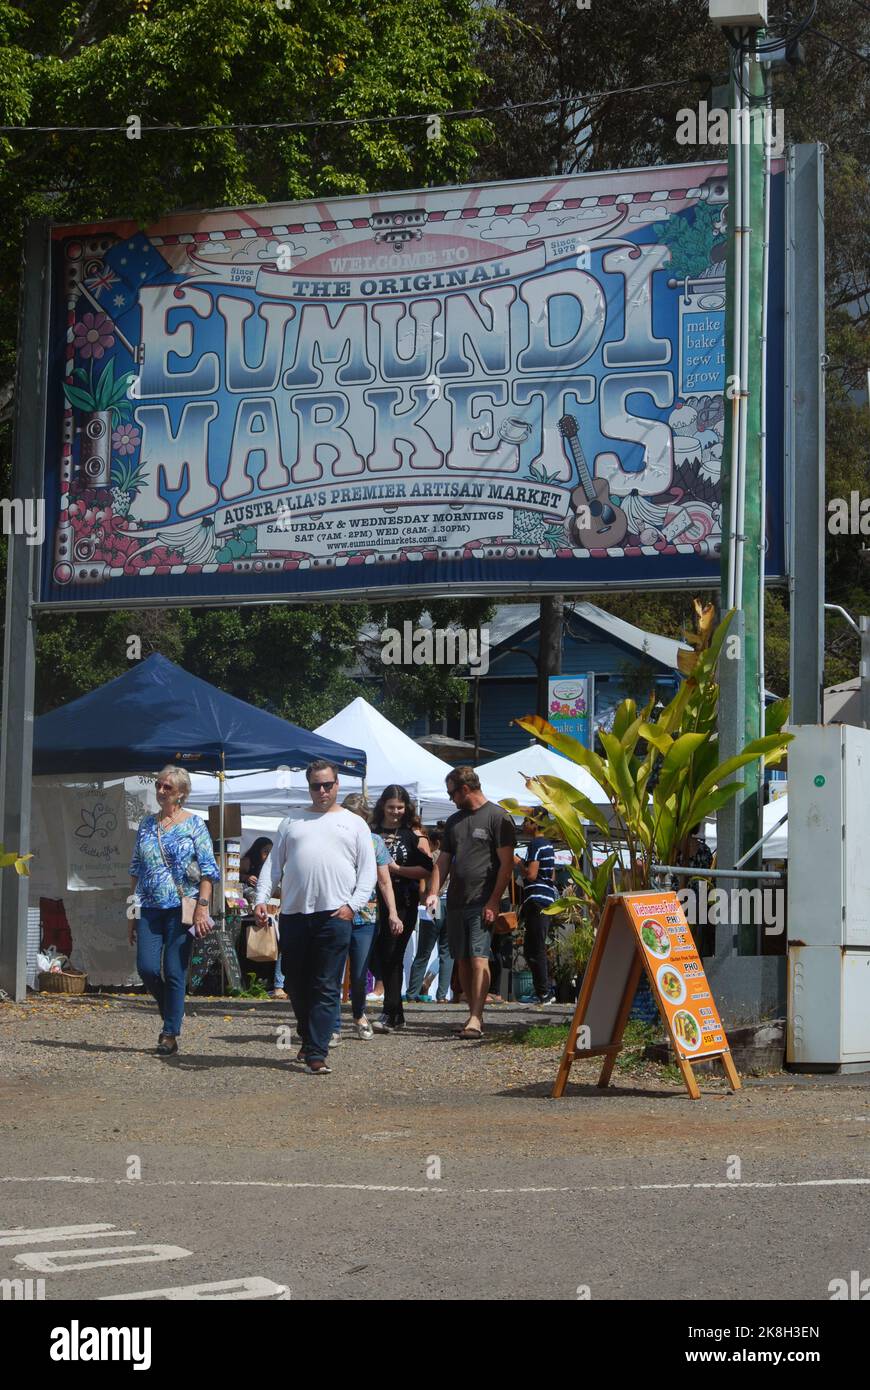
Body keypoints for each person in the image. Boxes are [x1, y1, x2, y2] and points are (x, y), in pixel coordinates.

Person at [254, 760, 376, 1074]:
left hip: (335, 915)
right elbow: (272, 867)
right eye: (315, 785)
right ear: (308, 787)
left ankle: (317, 1052)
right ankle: (309, 1039)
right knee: (294, 982)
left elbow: (368, 872)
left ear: (338, 785)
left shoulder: (354, 823)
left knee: (326, 984)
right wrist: (261, 900)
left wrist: (352, 905)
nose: (322, 791)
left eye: (328, 785)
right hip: (294, 913)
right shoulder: (292, 821)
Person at [128, 765, 220, 1056]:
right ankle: (173, 1010)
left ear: (181, 793)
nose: (161, 790)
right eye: (159, 785)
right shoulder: (146, 824)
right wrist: (130, 913)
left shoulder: (194, 824)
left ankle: (169, 1032)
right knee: (146, 967)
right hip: (149, 906)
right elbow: (135, 870)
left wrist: (202, 908)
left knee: (175, 969)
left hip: (184, 906)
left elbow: (208, 871)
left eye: (168, 787)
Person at [426, 766, 517, 1039]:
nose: (451, 798)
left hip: (482, 901)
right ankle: (471, 1014)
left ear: (465, 789)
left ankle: (477, 1017)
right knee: (462, 959)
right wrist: (433, 892)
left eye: (452, 793)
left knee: (479, 957)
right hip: (456, 901)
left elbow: (506, 866)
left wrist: (493, 901)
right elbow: (443, 861)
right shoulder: (454, 822)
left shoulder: (498, 817)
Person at [334, 794, 402, 1041]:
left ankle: (358, 1014)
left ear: (366, 818)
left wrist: (393, 913)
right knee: (334, 970)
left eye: (359, 818)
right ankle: (332, 1023)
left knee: (361, 972)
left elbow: (385, 882)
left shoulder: (375, 842)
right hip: (335, 912)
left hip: (366, 915)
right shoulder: (333, 838)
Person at [370, 786, 433, 1033]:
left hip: (403, 902)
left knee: (393, 954)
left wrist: (396, 870)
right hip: (372, 901)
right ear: (382, 807)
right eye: (390, 807)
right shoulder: (370, 832)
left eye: (400, 807)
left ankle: (390, 1010)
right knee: (380, 955)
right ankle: (396, 1012)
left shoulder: (410, 836)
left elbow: (427, 869)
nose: (395, 812)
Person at [406, 830, 453, 1002]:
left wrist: (424, 897)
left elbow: (422, 886)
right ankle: (442, 995)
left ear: (435, 842)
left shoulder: (432, 857)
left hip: (434, 903)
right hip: (452, 905)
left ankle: (412, 993)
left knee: (424, 951)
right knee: (447, 952)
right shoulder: (455, 857)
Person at [515, 814, 557, 1004]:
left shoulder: (535, 845)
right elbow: (552, 876)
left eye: (526, 821)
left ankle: (544, 992)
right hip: (546, 897)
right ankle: (543, 991)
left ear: (535, 823)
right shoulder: (548, 845)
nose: (523, 825)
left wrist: (518, 863)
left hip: (537, 899)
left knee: (535, 947)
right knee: (534, 946)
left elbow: (531, 874)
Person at [241, 837, 285, 1000]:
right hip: (252, 903)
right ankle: (276, 985)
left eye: (270, 851)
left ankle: (278, 984)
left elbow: (278, 888)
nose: (267, 855)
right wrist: (246, 877)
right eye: (265, 851)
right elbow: (233, 875)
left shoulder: (275, 865)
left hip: (271, 907)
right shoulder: (247, 861)